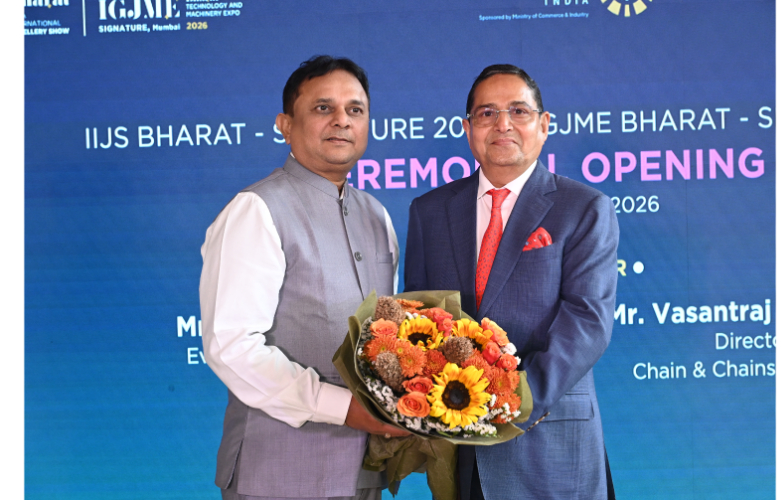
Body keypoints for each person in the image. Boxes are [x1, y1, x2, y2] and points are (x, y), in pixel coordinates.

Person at [404, 64, 619, 500]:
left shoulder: (583, 208)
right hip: (460, 449)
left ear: (544, 125)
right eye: (487, 113)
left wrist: (512, 402)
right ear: (468, 129)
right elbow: (418, 322)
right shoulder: (429, 211)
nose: (502, 124)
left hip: (548, 441)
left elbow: (587, 322)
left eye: (518, 111)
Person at [199, 55, 409, 500]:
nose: (342, 120)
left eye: (355, 110)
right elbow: (232, 346)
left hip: (366, 471)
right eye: (322, 108)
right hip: (277, 475)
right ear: (285, 125)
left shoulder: (377, 215)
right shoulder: (256, 210)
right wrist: (343, 408)